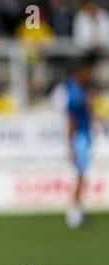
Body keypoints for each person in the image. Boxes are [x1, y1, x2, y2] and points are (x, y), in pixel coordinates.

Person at [64, 54, 96, 229]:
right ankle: (74, 212)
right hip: (80, 136)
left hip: (82, 135)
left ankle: (77, 209)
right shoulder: (76, 94)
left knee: (81, 173)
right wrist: (71, 145)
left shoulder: (77, 89)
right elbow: (72, 121)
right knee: (80, 174)